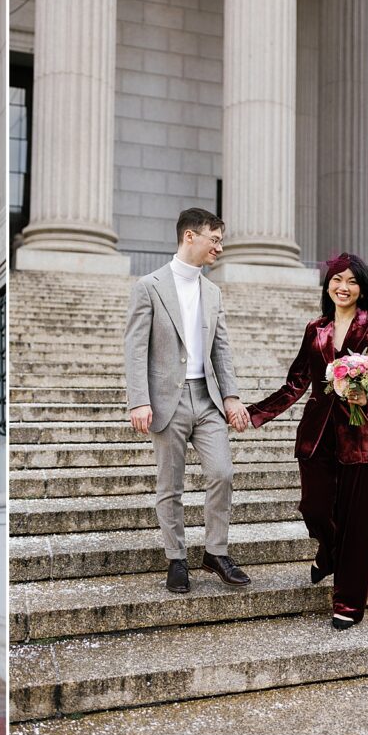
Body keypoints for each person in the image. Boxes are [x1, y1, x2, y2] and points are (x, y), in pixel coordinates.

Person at [245, 253, 368, 629]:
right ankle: (330, 553)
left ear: (361, 287)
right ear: (327, 284)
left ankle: (348, 602)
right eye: (336, 279)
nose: (343, 287)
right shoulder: (316, 327)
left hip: (364, 436)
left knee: (360, 524)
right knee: (315, 508)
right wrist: (255, 413)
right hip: (318, 436)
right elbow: (296, 381)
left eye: (351, 280)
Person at [124, 207, 252, 594]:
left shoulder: (212, 291)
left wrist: (231, 397)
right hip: (167, 400)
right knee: (170, 485)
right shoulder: (149, 286)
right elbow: (134, 348)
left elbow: (222, 351)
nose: (220, 247)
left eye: (222, 240)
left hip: (207, 399)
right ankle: (176, 559)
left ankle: (215, 552)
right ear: (190, 237)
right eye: (215, 239)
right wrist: (138, 400)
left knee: (222, 473)